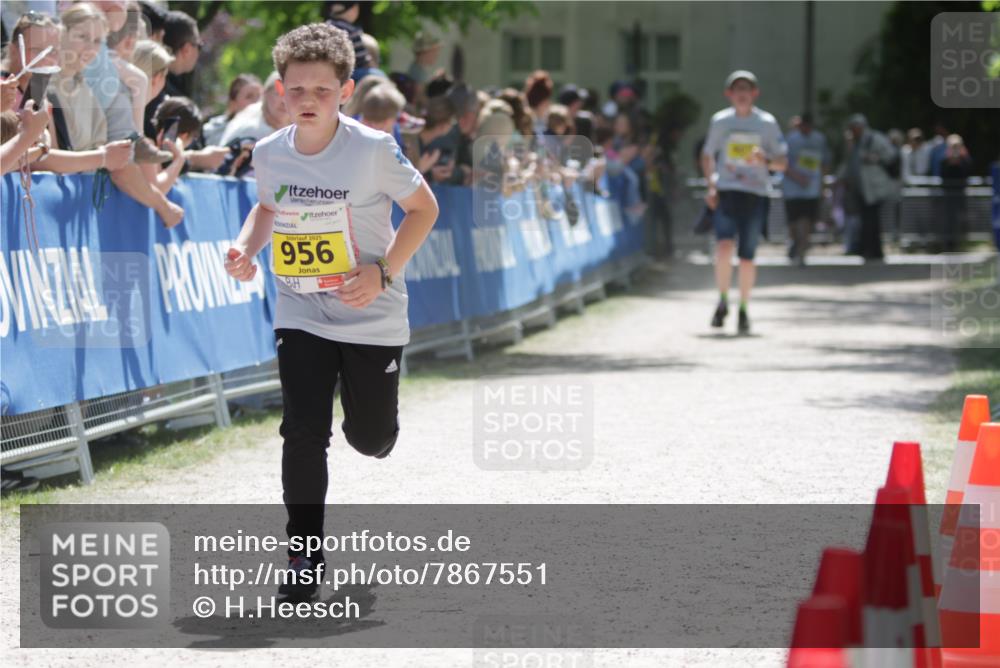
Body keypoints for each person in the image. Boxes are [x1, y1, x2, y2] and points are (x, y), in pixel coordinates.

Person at [223, 22, 438, 603]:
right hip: (301, 309)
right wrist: (246, 247)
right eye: (297, 90)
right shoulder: (269, 153)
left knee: (369, 438)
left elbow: (424, 209)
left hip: (372, 311)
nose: (308, 100)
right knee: (302, 430)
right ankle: (303, 556)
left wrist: (382, 272)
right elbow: (267, 209)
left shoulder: (371, 148)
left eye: (322, 90)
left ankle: (375, 428)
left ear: (345, 91)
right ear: (279, 91)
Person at [701, 70, 787, 334]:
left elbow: (782, 163)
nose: (741, 93)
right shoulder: (720, 121)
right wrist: (712, 185)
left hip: (756, 195)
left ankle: (744, 308)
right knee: (724, 248)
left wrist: (765, 161)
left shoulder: (767, 123)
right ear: (729, 93)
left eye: (746, 88)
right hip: (727, 191)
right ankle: (723, 299)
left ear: (754, 93)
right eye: (736, 88)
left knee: (747, 258)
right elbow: (707, 155)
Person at [839, 113, 895, 261]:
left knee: (872, 220)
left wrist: (874, 158)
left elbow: (890, 155)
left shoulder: (874, 138)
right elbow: (849, 163)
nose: (852, 131)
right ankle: (869, 250)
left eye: (854, 128)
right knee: (866, 220)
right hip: (862, 189)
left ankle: (873, 251)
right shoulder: (855, 143)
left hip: (874, 188)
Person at [781, 112, 829, 265]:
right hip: (792, 189)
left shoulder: (819, 139)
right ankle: (795, 243)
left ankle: (802, 251)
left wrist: (822, 185)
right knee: (793, 222)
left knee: (807, 219)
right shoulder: (790, 139)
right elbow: (782, 163)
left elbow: (824, 163)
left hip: (811, 189)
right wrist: (797, 177)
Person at [219, 71, 290, 146]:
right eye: (278, 94)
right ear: (265, 94)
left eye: (291, 95)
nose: (284, 101)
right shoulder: (250, 129)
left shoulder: (295, 128)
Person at [202, 73, 262, 146]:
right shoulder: (214, 131)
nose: (257, 101)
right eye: (249, 97)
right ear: (233, 103)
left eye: (260, 96)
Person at [938, 134, 972, 252]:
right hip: (948, 194)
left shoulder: (965, 158)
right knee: (948, 219)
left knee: (961, 218)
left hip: (960, 193)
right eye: (953, 146)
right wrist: (950, 162)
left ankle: (962, 243)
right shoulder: (944, 159)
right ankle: (949, 243)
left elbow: (967, 172)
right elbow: (942, 174)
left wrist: (959, 162)